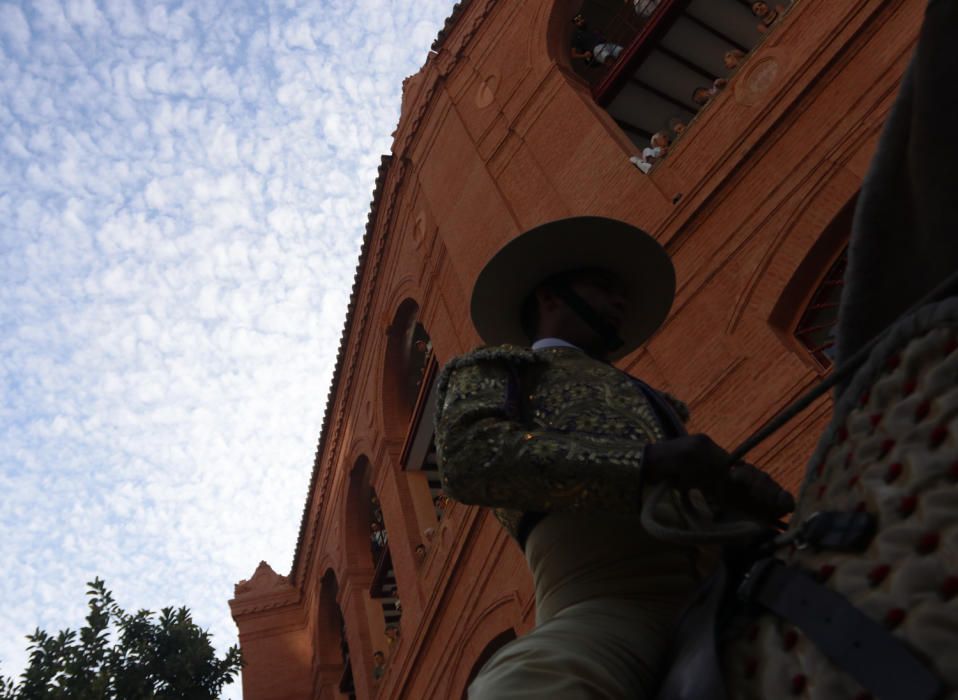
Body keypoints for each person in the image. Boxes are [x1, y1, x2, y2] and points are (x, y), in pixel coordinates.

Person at [435, 217, 793, 698]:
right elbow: (468, 457)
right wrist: (649, 462)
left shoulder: (651, 396)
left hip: (724, 583)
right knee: (524, 690)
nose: (621, 301)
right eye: (604, 288)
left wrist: (736, 497)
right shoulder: (498, 369)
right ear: (550, 297)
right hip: (609, 602)